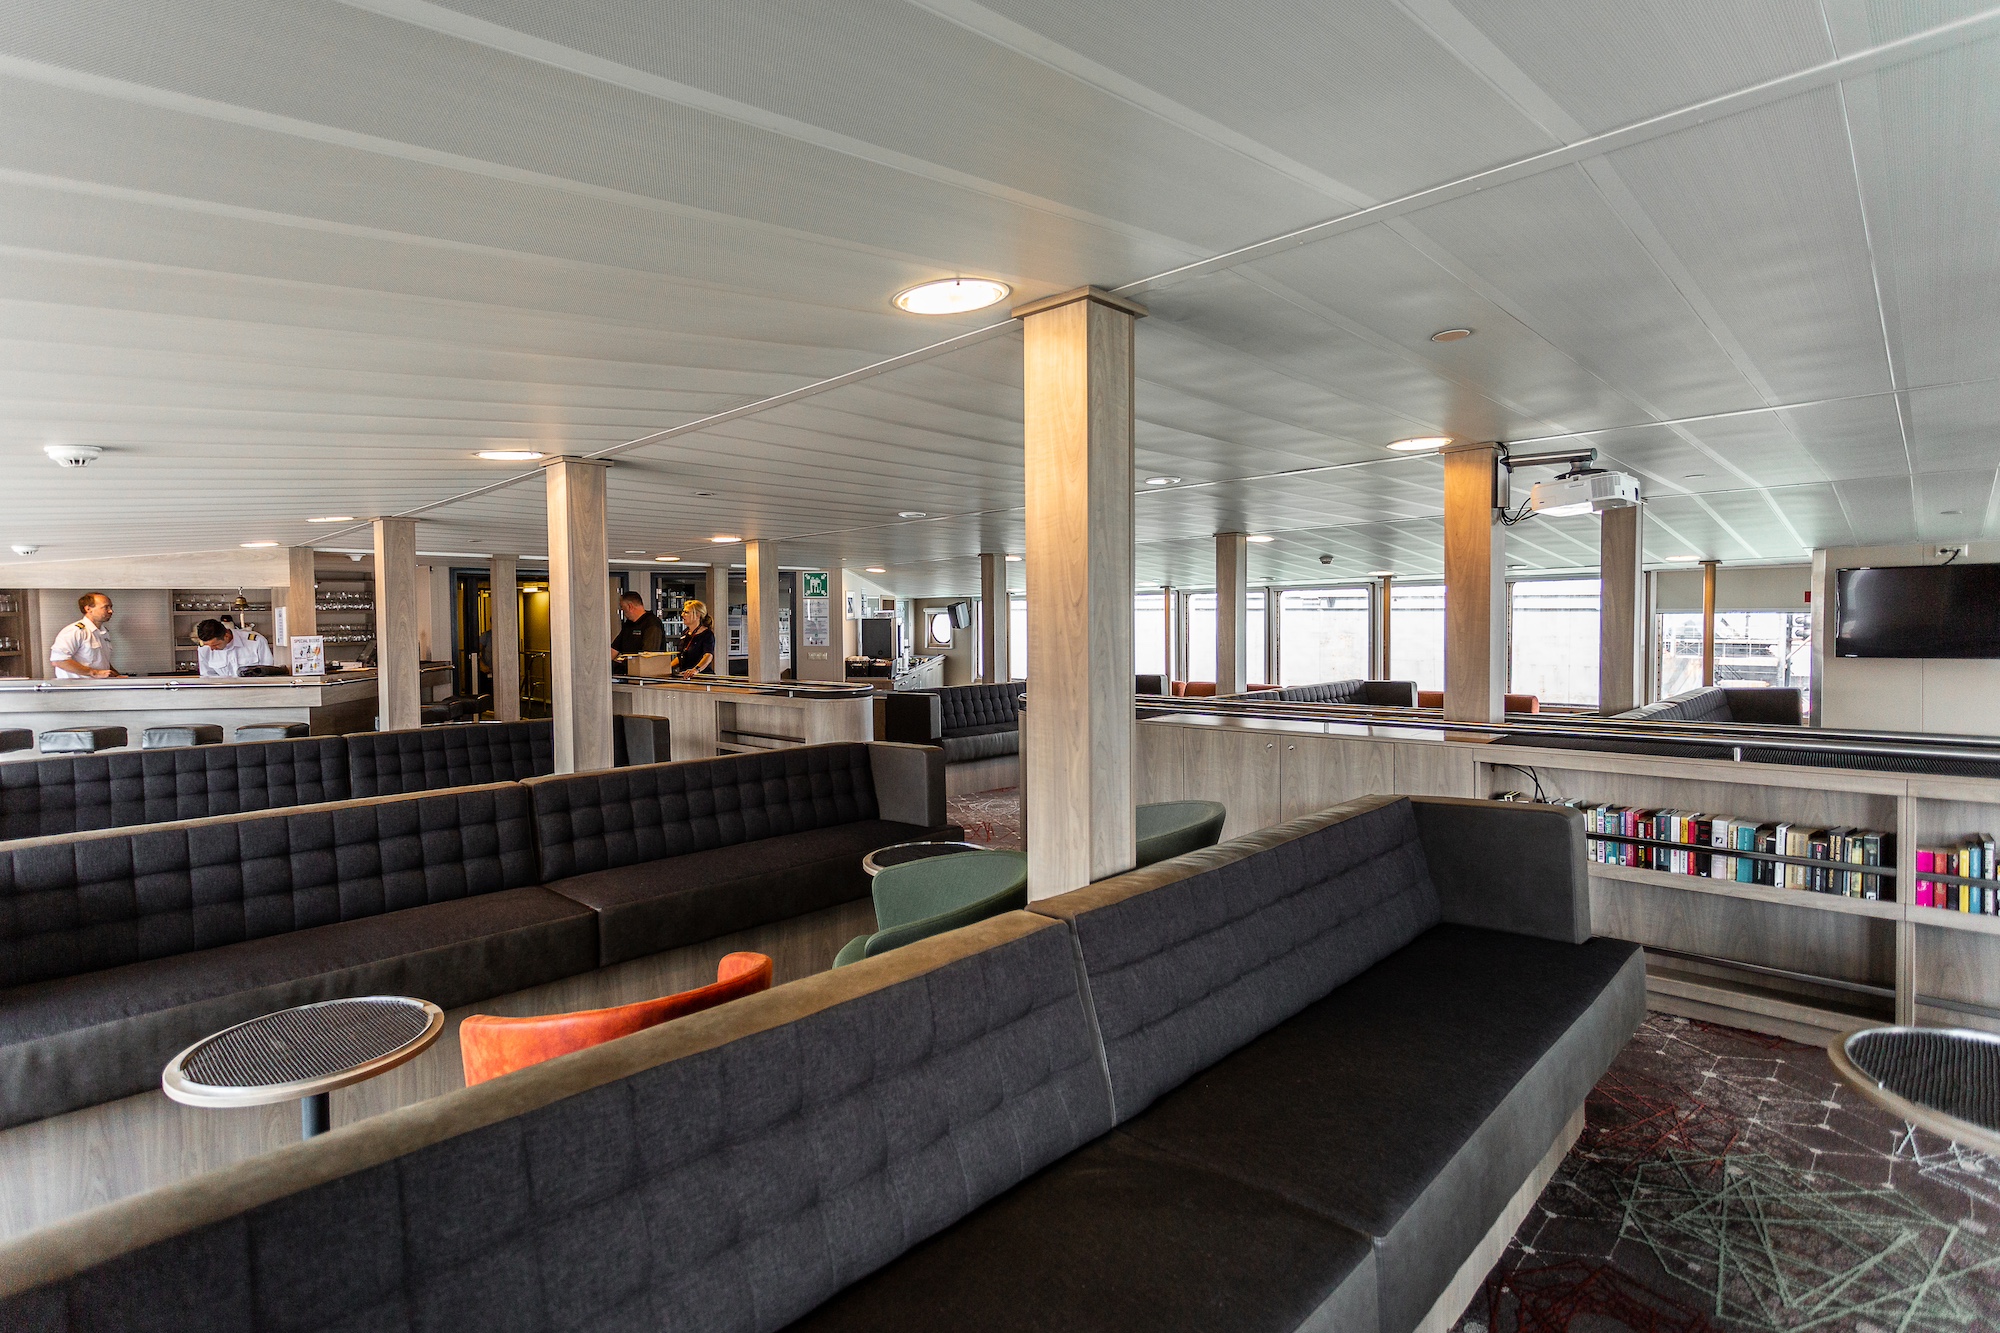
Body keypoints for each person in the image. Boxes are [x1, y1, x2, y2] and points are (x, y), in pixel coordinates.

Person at [49, 592, 122, 678]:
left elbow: (100, 661)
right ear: (88, 609)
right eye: (105, 607)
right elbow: (59, 660)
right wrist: (94, 673)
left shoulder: (103, 632)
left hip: (98, 688)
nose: (110, 611)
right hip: (77, 688)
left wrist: (116, 676)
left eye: (111, 607)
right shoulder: (75, 631)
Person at [193, 618, 275, 677]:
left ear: (226, 636)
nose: (212, 649)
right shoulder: (204, 649)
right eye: (208, 645)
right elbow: (207, 677)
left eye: (215, 645)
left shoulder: (255, 641)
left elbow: (268, 672)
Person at [611, 590, 665, 660]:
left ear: (630, 607)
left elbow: (648, 655)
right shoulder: (628, 624)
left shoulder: (652, 624)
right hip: (627, 669)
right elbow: (614, 649)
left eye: (622, 607)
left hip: (643, 668)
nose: (622, 610)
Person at [670, 599, 716, 676]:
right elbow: (681, 657)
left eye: (686, 612)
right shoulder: (685, 633)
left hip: (701, 677)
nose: (682, 615)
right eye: (683, 612)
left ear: (697, 615)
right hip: (685, 676)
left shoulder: (707, 634)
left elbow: (708, 655)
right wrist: (666, 667)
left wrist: (696, 669)